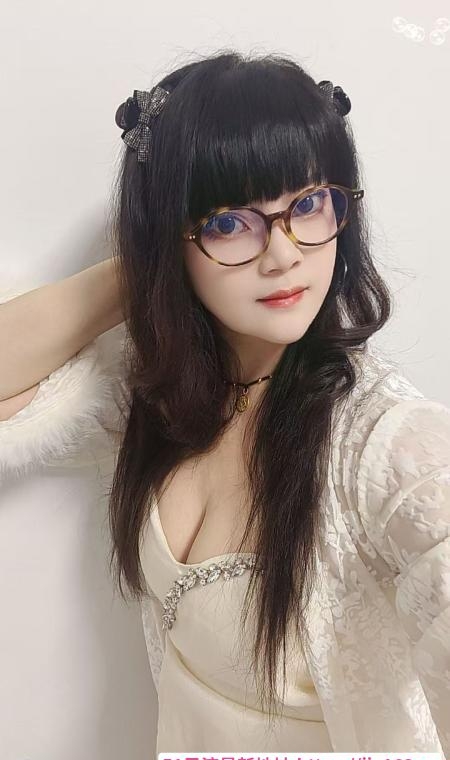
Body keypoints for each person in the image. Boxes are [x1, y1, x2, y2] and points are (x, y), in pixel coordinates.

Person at [1, 49, 449, 756]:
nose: (285, 254)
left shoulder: (392, 447)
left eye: (309, 204)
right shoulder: (157, 396)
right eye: (230, 222)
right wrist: (148, 261)